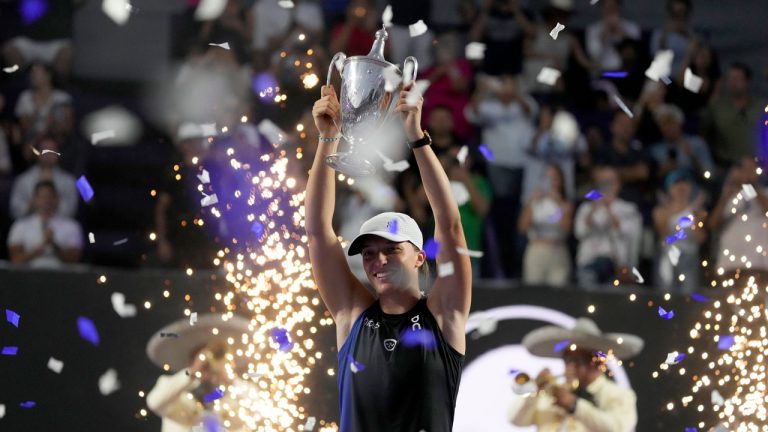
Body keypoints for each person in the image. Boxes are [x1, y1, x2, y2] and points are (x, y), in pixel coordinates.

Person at [306, 81, 471, 431]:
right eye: (368, 253)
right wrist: (327, 139)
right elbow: (319, 232)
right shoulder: (353, 316)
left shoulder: (443, 315)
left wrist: (416, 136)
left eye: (392, 250)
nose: (378, 261)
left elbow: (451, 228)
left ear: (420, 257)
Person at [508, 317, 642, 431]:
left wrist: (574, 406)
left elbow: (618, 428)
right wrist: (534, 392)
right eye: (567, 360)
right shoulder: (551, 392)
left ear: (597, 362)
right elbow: (515, 420)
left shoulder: (618, 395)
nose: (570, 366)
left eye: (578, 361)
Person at [146, 314, 252, 432]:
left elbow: (259, 408)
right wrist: (192, 373)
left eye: (212, 358)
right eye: (202, 361)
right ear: (192, 362)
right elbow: (154, 402)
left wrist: (230, 379)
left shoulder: (234, 395)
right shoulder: (175, 391)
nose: (208, 365)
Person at [574, 166, 642, 286]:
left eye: (610, 182)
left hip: (617, 268)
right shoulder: (586, 208)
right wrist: (593, 209)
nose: (607, 187)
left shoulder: (629, 209)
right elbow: (579, 232)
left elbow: (631, 237)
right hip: (588, 263)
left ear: (618, 184)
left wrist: (632, 269)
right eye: (603, 183)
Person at [519, 164, 573, 287]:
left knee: (558, 293)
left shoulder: (566, 202)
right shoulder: (534, 201)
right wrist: (532, 202)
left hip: (558, 250)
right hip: (537, 250)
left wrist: (559, 202)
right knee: (534, 294)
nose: (551, 182)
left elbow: (566, 228)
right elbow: (522, 228)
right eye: (547, 178)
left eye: (554, 178)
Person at [652, 169, 706, 293]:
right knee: (666, 294)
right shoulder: (661, 211)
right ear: (670, 188)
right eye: (676, 184)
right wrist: (682, 209)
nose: (681, 187)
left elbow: (701, 237)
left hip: (690, 258)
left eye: (684, 183)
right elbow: (663, 234)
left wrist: (691, 212)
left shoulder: (698, 212)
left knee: (688, 294)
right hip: (668, 257)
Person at [7, 180, 82, 268]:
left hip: (61, 276)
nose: (46, 201)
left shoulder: (72, 226)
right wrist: (39, 249)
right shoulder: (20, 226)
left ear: (57, 199)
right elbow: (15, 260)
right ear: (34, 199)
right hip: (28, 276)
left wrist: (53, 244)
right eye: (42, 197)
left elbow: (73, 260)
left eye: (49, 197)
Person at [9, 135, 78, 219]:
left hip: (60, 226)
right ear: (37, 153)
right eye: (44, 150)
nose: (48, 154)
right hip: (30, 226)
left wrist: (53, 200)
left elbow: (71, 212)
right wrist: (33, 204)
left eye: (52, 150)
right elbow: (15, 211)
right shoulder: (23, 180)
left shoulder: (69, 181)